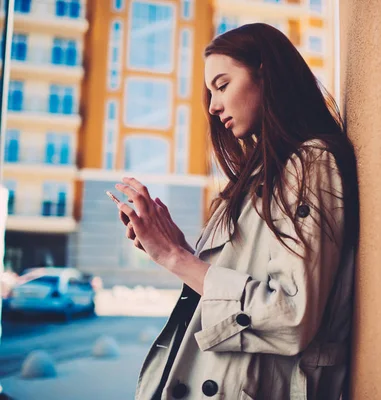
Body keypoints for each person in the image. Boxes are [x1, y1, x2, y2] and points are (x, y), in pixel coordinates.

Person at [114, 23, 359, 400]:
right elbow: (239, 280)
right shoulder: (257, 177)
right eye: (210, 92)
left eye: (222, 85)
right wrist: (176, 248)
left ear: (265, 74)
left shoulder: (311, 163)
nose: (212, 106)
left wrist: (175, 257)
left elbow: (292, 315)